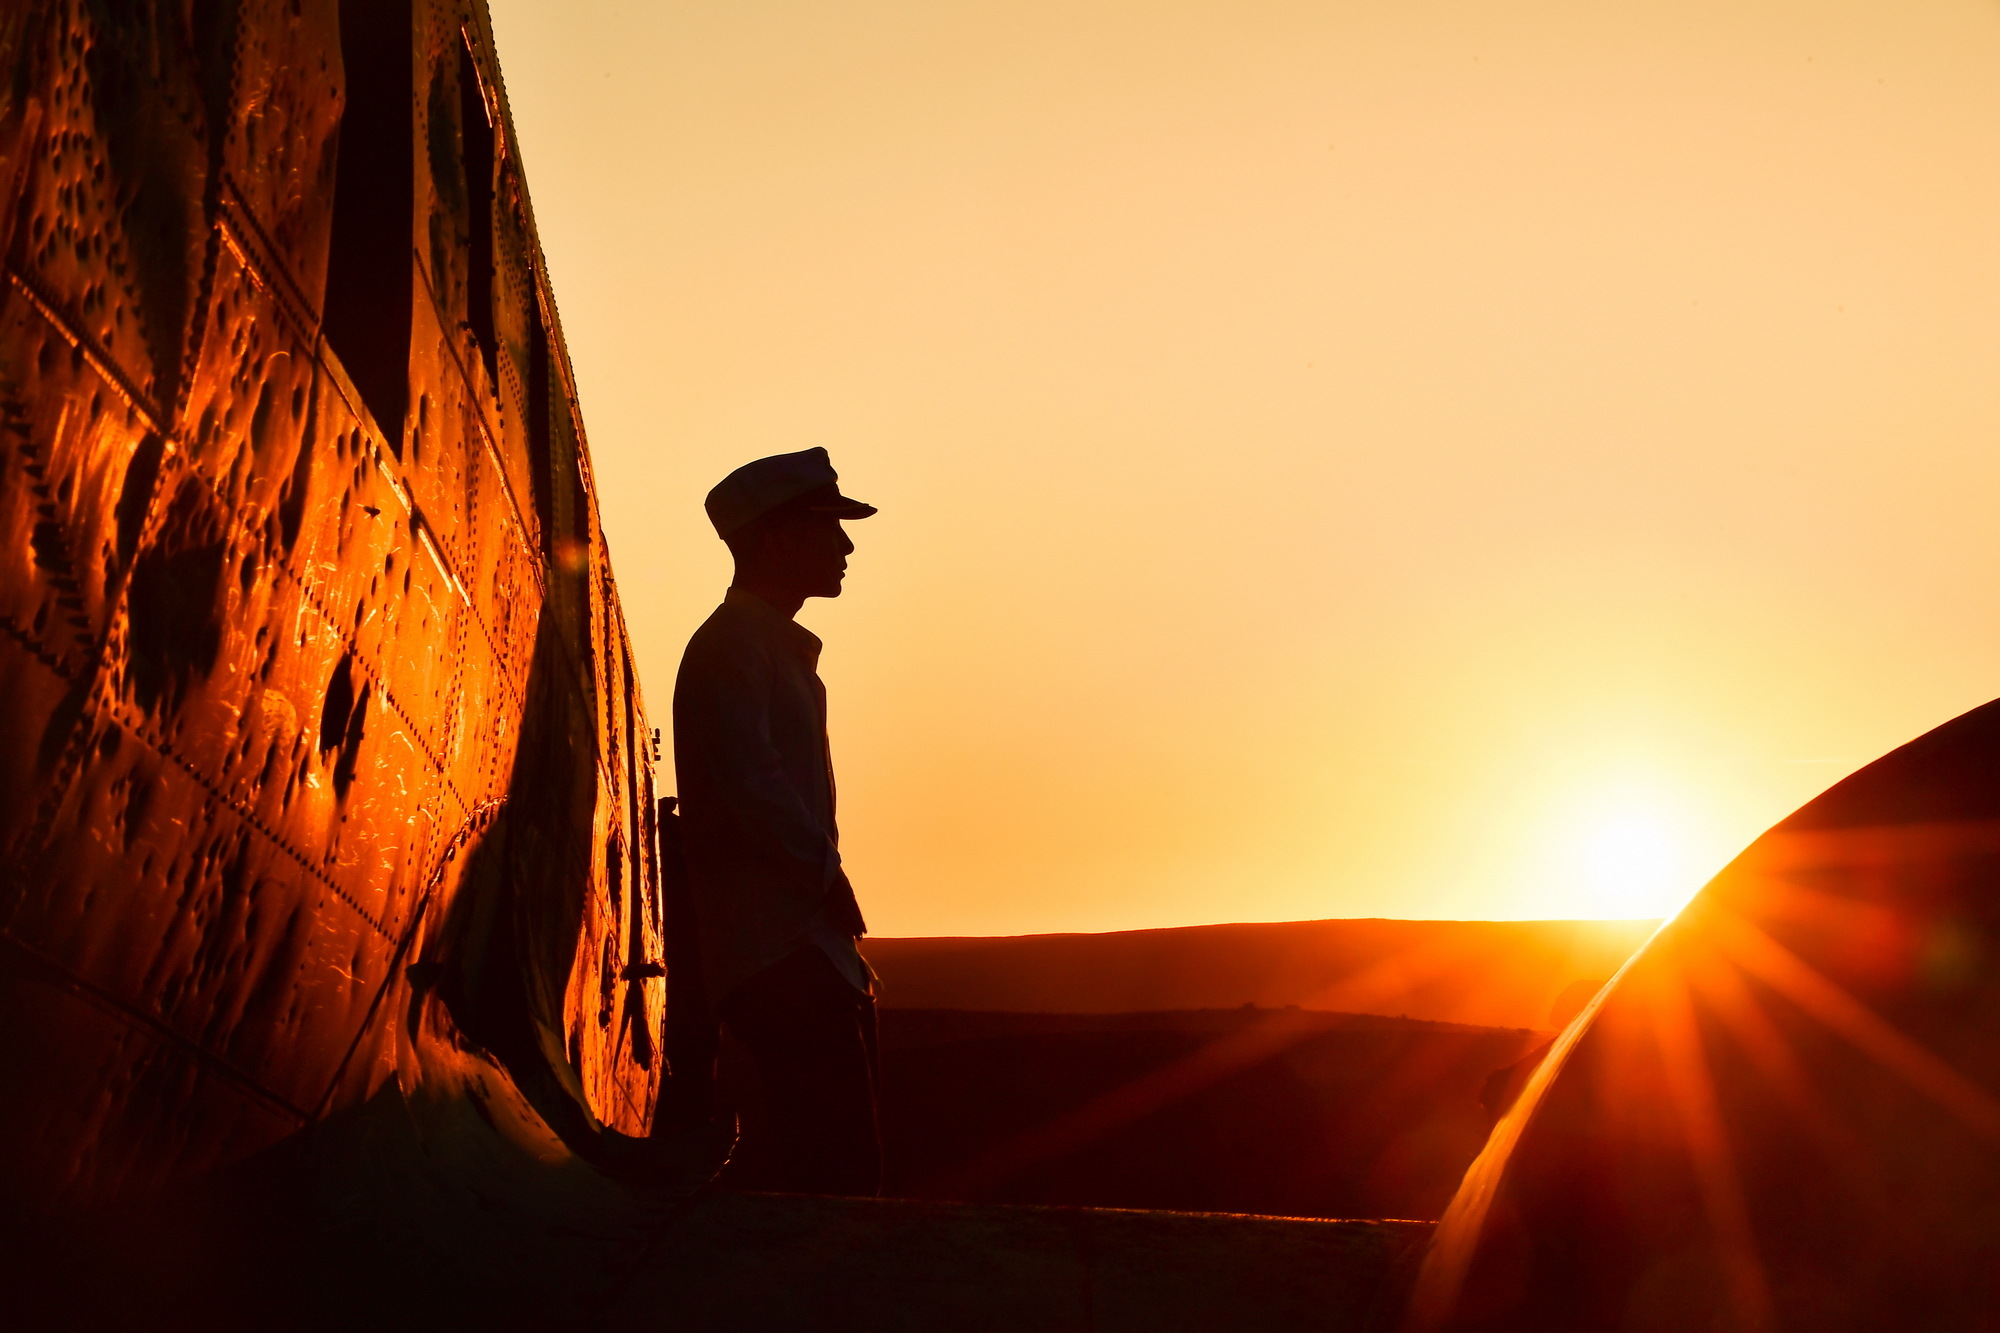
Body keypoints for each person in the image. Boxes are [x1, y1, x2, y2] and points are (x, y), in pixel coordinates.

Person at [671, 447, 882, 1196]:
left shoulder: (759, 649)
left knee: (829, 1169)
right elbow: (751, 785)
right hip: (780, 960)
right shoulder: (733, 648)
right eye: (830, 527)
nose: (847, 546)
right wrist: (828, 881)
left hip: (797, 955)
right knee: (836, 1181)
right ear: (777, 539)